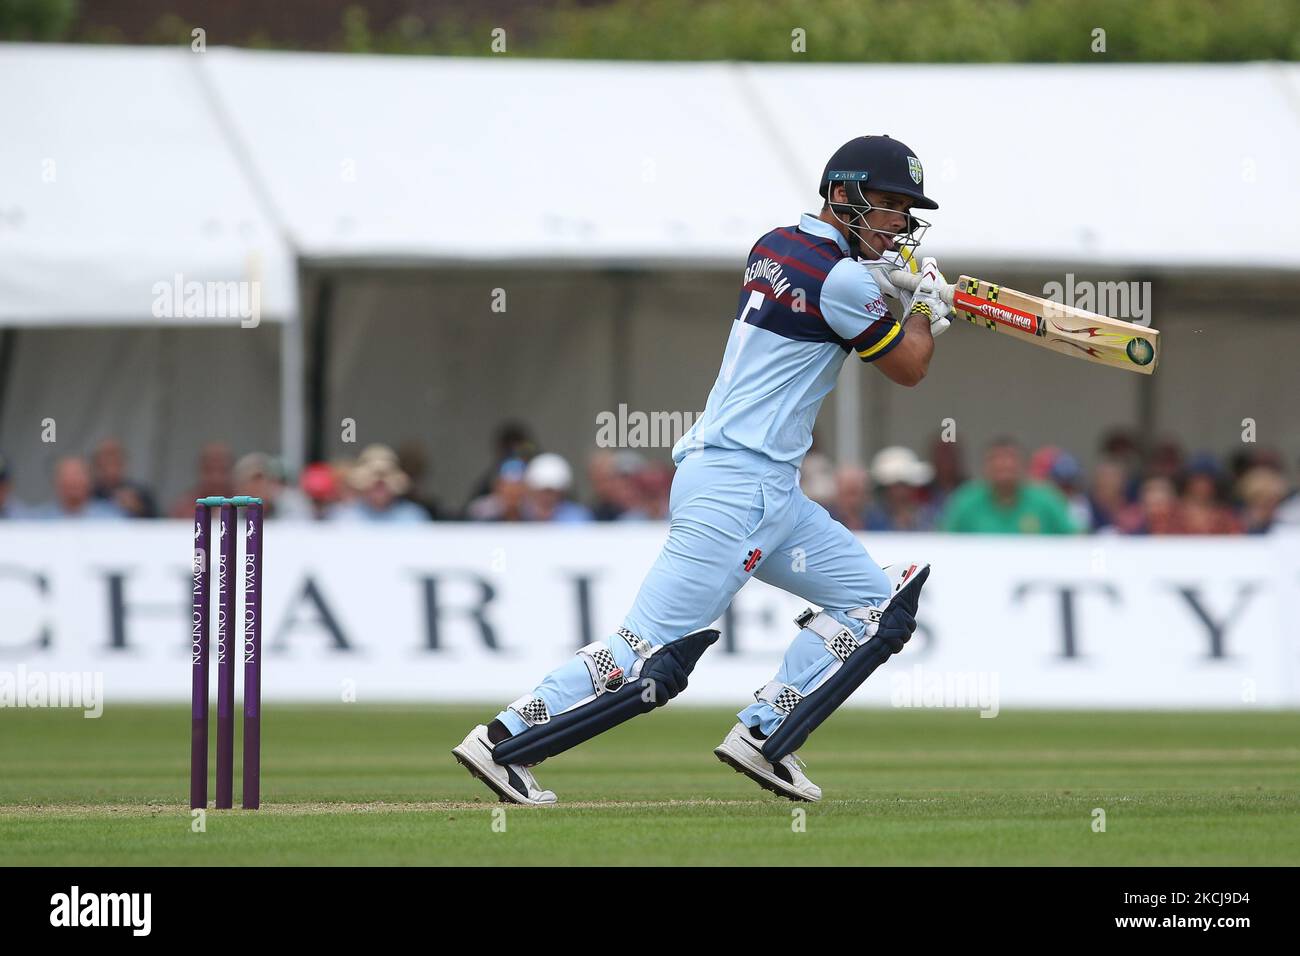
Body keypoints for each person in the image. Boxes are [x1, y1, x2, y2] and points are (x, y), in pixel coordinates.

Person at [454, 135, 944, 804]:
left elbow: (826, 292)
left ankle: (766, 734)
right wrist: (923, 309)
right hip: (734, 489)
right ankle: (503, 739)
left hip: (769, 490)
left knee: (874, 606)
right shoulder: (845, 279)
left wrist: (884, 284)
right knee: (649, 653)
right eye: (887, 205)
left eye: (904, 210)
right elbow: (908, 367)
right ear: (842, 195)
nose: (898, 223)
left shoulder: (775, 244)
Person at [941, 439, 1077, 534]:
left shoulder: (1046, 499)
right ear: (985, 468)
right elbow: (943, 541)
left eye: (1010, 460)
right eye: (996, 461)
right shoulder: (965, 500)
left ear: (1023, 465)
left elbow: (1076, 537)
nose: (1004, 466)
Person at [865, 446, 937, 531]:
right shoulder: (872, 519)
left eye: (905, 485)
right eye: (895, 486)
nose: (901, 492)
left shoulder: (928, 516)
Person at [30, 457, 125, 520]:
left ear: (89, 481)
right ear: (56, 483)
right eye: (66, 478)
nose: (73, 482)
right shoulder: (39, 520)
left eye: (78, 477)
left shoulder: (110, 517)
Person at [90, 438, 157, 518]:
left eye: (115, 461)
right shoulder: (88, 493)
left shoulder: (140, 493)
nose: (110, 468)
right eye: (106, 461)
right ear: (96, 465)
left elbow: (160, 523)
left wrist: (138, 508)